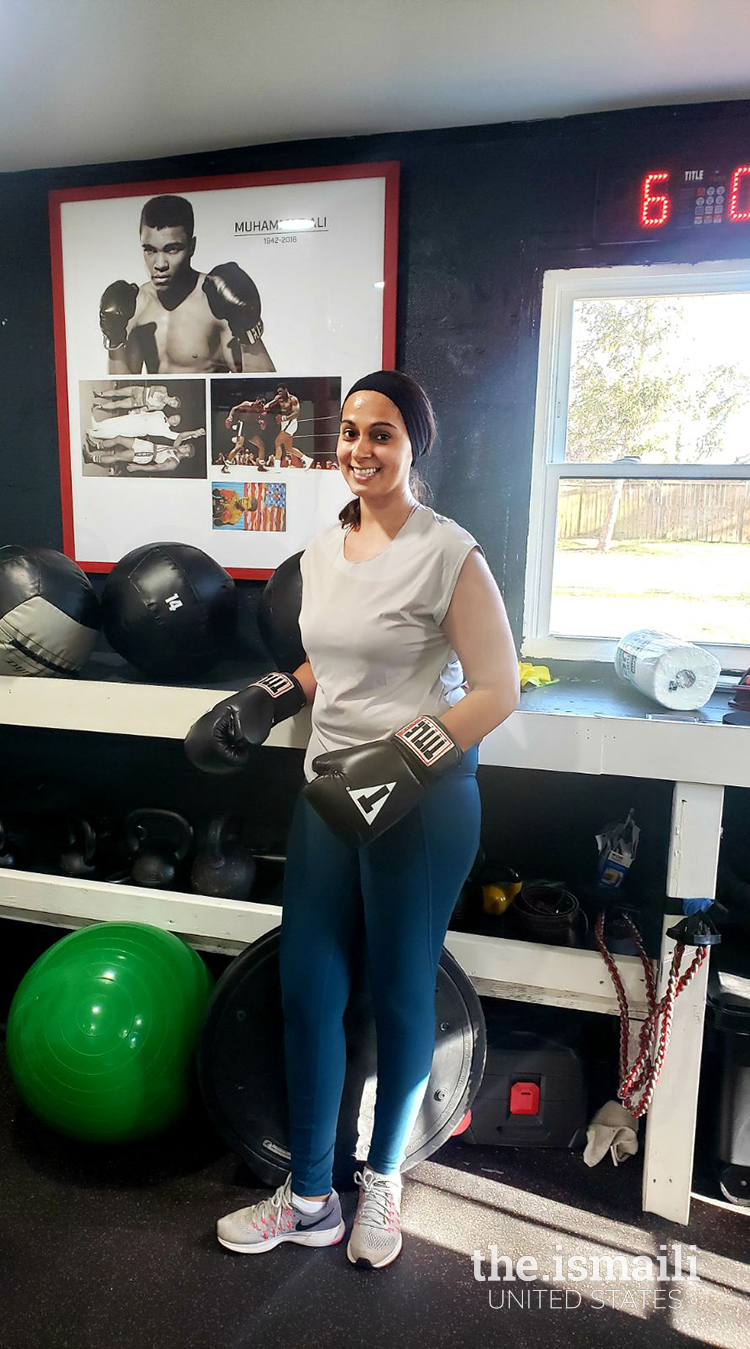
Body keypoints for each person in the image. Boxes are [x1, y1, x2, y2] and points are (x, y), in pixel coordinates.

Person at [184, 370, 519, 1270]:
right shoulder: (325, 547)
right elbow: (329, 664)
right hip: (330, 793)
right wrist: (263, 698)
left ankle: (381, 1185)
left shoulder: (451, 553)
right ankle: (308, 1199)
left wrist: (401, 759)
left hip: (417, 800)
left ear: (415, 447)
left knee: (405, 994)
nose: (362, 450)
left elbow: (498, 691)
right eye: (352, 433)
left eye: (384, 435)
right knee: (309, 989)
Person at [99, 194, 275, 376]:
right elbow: (120, 391)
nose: (160, 264)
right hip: (153, 404)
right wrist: (114, 340)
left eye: (172, 249)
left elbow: (261, 389)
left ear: (192, 246)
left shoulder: (214, 301)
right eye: (150, 250)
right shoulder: (136, 305)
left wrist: (248, 330)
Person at [92, 384, 181, 412]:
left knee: (117, 404)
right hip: (139, 391)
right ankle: (100, 394)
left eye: (172, 406)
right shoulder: (164, 390)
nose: (171, 404)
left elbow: (147, 408)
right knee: (118, 392)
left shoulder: (161, 407)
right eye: (173, 402)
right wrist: (150, 396)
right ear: (173, 398)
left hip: (138, 402)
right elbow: (153, 387)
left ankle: (99, 406)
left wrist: (136, 411)